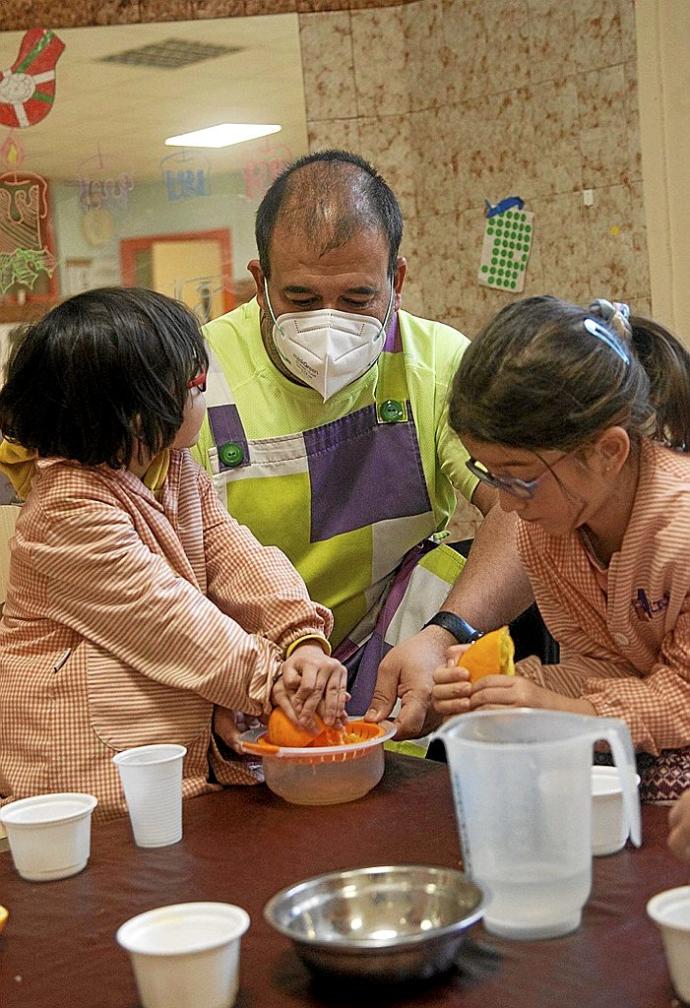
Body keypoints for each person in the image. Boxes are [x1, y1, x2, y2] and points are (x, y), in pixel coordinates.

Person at [193, 149, 537, 744]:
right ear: (260, 281)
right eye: (301, 299)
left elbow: (526, 508)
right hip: (242, 656)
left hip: (394, 641)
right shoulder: (196, 378)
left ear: (396, 281)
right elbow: (161, 567)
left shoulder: (438, 364)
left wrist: (445, 633)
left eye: (357, 299)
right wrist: (241, 674)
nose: (328, 327)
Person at [0, 288, 347, 819]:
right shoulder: (65, 510)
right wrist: (274, 679)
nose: (205, 395)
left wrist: (299, 636)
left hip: (167, 755)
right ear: (133, 413)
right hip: (82, 775)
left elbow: (237, 556)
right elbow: (167, 618)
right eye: (196, 386)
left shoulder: (172, 466)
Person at [432, 295, 690, 802]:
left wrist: (560, 712)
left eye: (520, 479)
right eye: (491, 475)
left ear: (607, 452)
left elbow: (683, 699)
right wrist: (504, 686)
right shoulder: (547, 535)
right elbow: (601, 668)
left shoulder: (680, 530)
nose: (506, 505)